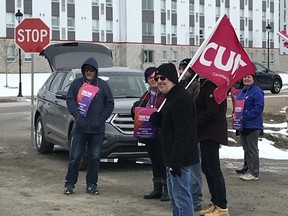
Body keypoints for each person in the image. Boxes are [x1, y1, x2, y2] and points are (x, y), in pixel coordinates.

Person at [149, 63, 199, 216]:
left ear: (171, 78)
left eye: (162, 78)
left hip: (179, 159)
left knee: (181, 197)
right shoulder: (170, 98)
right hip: (170, 158)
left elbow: (183, 133)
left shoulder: (180, 99)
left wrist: (176, 161)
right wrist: (158, 119)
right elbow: (170, 124)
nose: (159, 82)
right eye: (156, 79)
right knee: (175, 198)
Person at [64, 57, 114, 195]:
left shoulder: (103, 86)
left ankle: (91, 184)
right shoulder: (76, 84)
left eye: (91, 70)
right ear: (83, 71)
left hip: (97, 130)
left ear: (96, 71)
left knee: (95, 158)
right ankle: (69, 184)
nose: (89, 72)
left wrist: (102, 119)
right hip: (80, 129)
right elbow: (70, 100)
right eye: (86, 70)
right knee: (75, 157)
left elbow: (110, 103)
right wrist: (77, 117)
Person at [131, 67, 169, 201]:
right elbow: (139, 111)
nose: (153, 80)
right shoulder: (146, 95)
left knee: (164, 160)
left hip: (162, 133)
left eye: (155, 77)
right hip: (149, 133)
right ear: (146, 80)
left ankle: (167, 189)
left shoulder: (164, 94)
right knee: (154, 160)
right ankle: (157, 187)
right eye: (150, 78)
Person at [196, 77, 230, 216]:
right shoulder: (206, 83)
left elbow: (212, 111)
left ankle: (222, 206)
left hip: (211, 132)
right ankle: (216, 202)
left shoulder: (211, 84)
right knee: (207, 168)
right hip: (206, 133)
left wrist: (194, 121)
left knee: (213, 169)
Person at [178, 58, 203, 212]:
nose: (181, 72)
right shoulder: (180, 85)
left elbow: (193, 106)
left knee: (194, 167)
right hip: (181, 130)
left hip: (193, 131)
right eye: (180, 69)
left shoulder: (196, 87)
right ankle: (183, 196)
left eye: (184, 69)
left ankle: (196, 198)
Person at [234, 74, 264, 180]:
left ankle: (254, 172)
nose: (246, 78)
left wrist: (245, 116)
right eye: (244, 77)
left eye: (249, 77)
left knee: (252, 149)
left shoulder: (257, 91)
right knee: (246, 148)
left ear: (253, 79)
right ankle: (247, 167)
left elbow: (258, 108)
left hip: (253, 125)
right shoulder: (242, 91)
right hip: (242, 125)